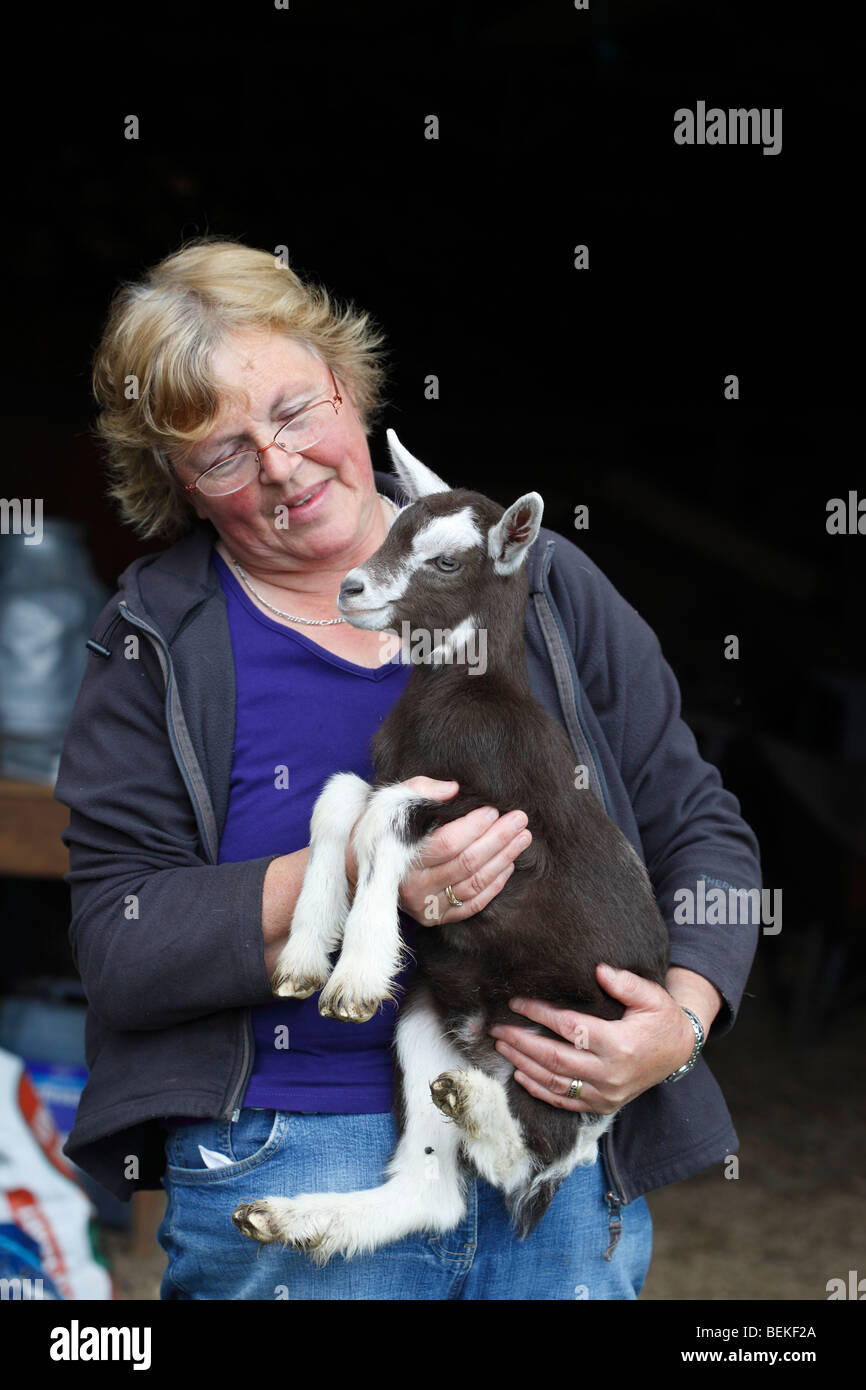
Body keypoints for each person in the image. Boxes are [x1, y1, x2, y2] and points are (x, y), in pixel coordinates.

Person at [55, 237, 762, 1300]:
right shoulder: (155, 640)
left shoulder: (543, 584)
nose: (282, 469)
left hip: (553, 1150)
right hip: (294, 1154)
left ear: (345, 384)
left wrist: (679, 1021)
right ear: (178, 483)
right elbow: (120, 939)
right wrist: (348, 876)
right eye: (223, 454)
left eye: (293, 412)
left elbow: (699, 826)